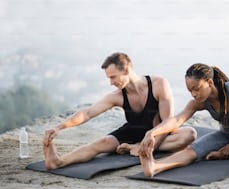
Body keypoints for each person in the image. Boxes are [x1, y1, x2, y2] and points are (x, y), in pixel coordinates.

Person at [43, 52, 196, 170]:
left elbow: (167, 123)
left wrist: (144, 147)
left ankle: (133, 147)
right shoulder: (117, 96)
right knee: (100, 144)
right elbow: (88, 112)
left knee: (188, 134)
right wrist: (59, 127)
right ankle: (58, 161)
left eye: (113, 77)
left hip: (157, 133)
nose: (111, 83)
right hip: (132, 133)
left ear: (127, 70)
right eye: (109, 78)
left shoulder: (159, 84)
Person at [139, 63, 229, 177]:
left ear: (209, 82)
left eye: (196, 89)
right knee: (191, 151)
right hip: (224, 136)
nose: (194, 94)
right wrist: (151, 133)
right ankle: (156, 166)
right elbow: (176, 120)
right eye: (190, 90)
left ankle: (222, 155)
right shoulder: (198, 102)